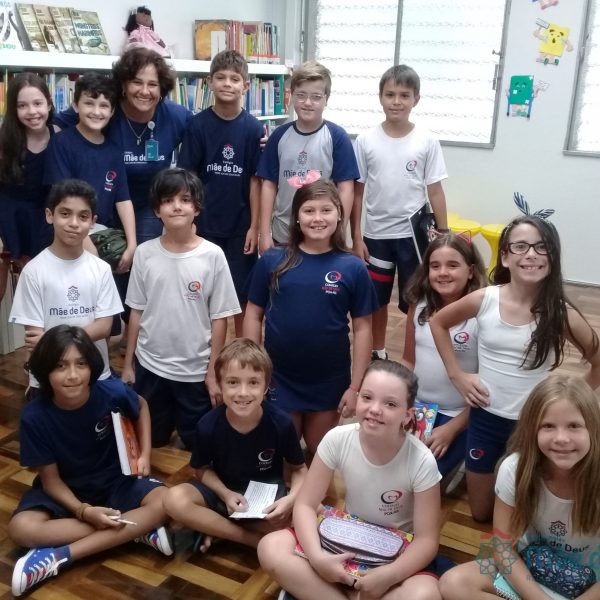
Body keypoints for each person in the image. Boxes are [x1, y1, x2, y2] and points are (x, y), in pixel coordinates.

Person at [430, 215, 600, 522]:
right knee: (481, 513)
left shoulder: (560, 314)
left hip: (533, 424)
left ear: (552, 257)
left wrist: (569, 402)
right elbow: (438, 322)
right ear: (505, 257)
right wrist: (457, 375)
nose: (531, 254)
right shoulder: (485, 299)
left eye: (541, 247)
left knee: (526, 509)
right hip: (484, 419)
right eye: (520, 246)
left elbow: (597, 360)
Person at [258, 360, 444, 600]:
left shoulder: (421, 460)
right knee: (270, 548)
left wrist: (389, 575)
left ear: (407, 415)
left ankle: (320, 591)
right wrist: (317, 558)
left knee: (425, 594)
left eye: (390, 404)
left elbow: (427, 541)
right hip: (344, 539)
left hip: (395, 553)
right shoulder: (337, 439)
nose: (375, 409)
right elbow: (305, 504)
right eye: (367, 397)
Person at [9, 325, 172, 598]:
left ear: (92, 366)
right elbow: (52, 482)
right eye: (60, 366)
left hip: (116, 481)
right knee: (20, 528)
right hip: (67, 490)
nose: (73, 375)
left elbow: (141, 405)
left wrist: (144, 454)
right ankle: (134, 529)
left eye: (81, 364)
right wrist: (84, 511)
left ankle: (61, 555)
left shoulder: (111, 392)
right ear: (45, 370)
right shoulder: (34, 417)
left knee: (168, 501)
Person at [244, 179, 377, 456]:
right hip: (279, 377)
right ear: (296, 217)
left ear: (339, 215)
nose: (318, 218)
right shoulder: (273, 260)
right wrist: (253, 372)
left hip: (328, 381)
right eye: (309, 210)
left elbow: (364, 329)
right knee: (284, 452)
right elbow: (253, 314)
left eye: (326, 210)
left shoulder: (353, 268)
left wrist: (356, 387)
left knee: (320, 454)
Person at [440, 373, 600, 600]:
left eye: (574, 426)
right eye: (548, 426)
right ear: (532, 429)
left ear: (593, 428)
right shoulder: (514, 470)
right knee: (454, 584)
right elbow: (503, 549)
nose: (561, 438)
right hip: (530, 571)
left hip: (591, 582)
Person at [121, 168, 240, 448]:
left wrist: (213, 373)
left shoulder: (212, 255)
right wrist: (128, 365)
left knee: (197, 443)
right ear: (156, 210)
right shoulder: (145, 253)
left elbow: (220, 318)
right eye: (168, 200)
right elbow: (136, 310)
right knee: (154, 440)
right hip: (151, 366)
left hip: (194, 370)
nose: (177, 206)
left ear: (197, 208)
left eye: (185, 199)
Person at [164, 337, 307, 553]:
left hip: (265, 501)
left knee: (308, 514)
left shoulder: (281, 423)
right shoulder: (207, 425)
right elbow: (200, 470)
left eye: (253, 382)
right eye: (233, 382)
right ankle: (251, 540)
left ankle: (214, 528)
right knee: (173, 500)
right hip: (224, 494)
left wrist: (291, 499)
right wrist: (225, 494)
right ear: (220, 384)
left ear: (266, 386)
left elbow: (299, 469)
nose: (243, 392)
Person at [352, 65, 448, 361]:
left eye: (404, 95)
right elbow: (357, 192)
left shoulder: (427, 141)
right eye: (390, 94)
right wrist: (356, 236)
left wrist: (443, 235)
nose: (396, 101)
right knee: (376, 300)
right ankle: (378, 351)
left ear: (416, 99)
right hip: (376, 237)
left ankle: (411, 356)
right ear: (380, 97)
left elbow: (435, 190)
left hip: (413, 238)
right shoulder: (365, 140)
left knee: (415, 300)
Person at [9, 179, 123, 392]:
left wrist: (51, 339)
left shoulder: (101, 269)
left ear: (92, 222)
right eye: (65, 213)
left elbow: (104, 327)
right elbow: (35, 336)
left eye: (83, 216)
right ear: (49, 215)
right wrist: (77, 336)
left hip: (95, 374)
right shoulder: (33, 271)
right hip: (48, 375)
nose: (74, 223)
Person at [178, 49, 263, 336]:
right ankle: (205, 352)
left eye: (235, 79)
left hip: (241, 228)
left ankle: (243, 353)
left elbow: (255, 181)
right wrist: (190, 223)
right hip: (204, 225)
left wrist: (254, 226)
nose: (227, 83)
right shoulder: (197, 125)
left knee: (241, 296)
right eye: (221, 77)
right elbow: (188, 178)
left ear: (246, 86)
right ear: (210, 82)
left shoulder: (253, 129)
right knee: (202, 293)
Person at [402, 233, 487, 488]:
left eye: (453, 265)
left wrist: (453, 428)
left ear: (470, 271)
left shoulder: (483, 316)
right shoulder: (418, 305)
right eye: (435, 266)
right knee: (397, 472)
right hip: (418, 406)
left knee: (428, 481)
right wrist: (401, 404)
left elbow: (490, 387)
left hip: (461, 414)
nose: (443, 273)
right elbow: (408, 360)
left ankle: (463, 450)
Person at [257, 60, 359, 254]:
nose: (308, 102)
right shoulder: (279, 136)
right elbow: (269, 185)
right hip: (283, 234)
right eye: (301, 95)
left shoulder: (337, 137)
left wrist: (338, 230)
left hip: (323, 236)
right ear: (291, 96)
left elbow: (346, 189)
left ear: (326, 99)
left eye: (316, 97)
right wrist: (264, 232)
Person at [45, 71, 136, 274]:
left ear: (112, 111)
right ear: (76, 105)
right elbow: (62, 199)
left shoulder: (114, 150)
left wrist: (132, 244)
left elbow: (123, 199)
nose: (96, 111)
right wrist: (88, 248)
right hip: (70, 232)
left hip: (103, 235)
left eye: (104, 105)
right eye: (89, 103)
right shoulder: (61, 143)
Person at [0, 73, 55, 301]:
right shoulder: (4, 140)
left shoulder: (60, 136)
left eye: (37, 103)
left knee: (41, 290)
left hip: (44, 219)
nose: (32, 111)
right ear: (14, 110)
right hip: (9, 217)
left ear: (49, 104)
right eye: (22, 105)